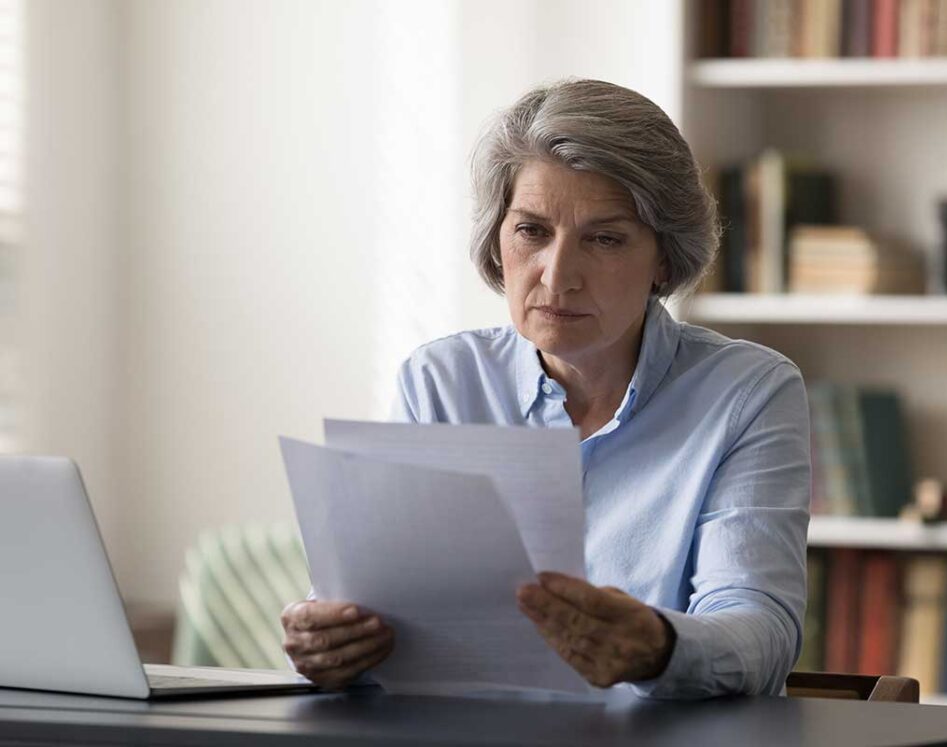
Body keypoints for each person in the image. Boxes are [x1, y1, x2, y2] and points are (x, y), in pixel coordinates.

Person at [281, 79, 810, 699]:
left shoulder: (748, 393)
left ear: (663, 260)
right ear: (498, 242)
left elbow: (760, 629)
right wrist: (329, 636)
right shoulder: (441, 383)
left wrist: (658, 647)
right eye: (532, 231)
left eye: (605, 238)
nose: (557, 277)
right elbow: (373, 599)